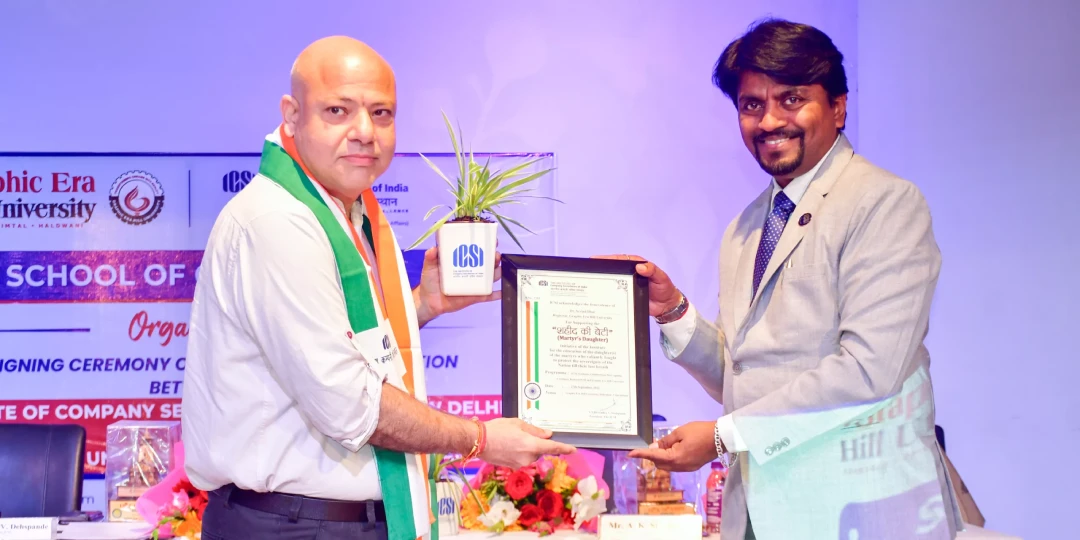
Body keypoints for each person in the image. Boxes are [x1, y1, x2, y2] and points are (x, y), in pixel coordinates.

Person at [181, 36, 575, 540]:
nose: (364, 132)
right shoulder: (278, 220)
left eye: (381, 113)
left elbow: (344, 344)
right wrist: (479, 439)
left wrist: (421, 305)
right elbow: (351, 404)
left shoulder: (343, 212)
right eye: (338, 110)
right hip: (294, 526)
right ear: (292, 114)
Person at [619, 19, 963, 539]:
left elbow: (868, 371)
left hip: (858, 511)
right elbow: (746, 376)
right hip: (758, 512)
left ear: (838, 107)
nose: (769, 120)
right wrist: (673, 311)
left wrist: (722, 437)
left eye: (792, 99)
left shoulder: (884, 202)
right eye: (751, 105)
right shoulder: (745, 227)